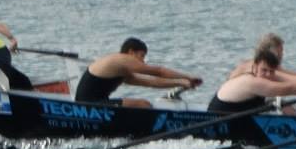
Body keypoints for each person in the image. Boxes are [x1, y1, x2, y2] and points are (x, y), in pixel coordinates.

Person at [209, 42, 296, 115]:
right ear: (255, 66)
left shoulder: (264, 70)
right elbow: (288, 88)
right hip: (220, 118)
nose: (268, 75)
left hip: (239, 114)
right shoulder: (250, 80)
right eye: (264, 71)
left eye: (271, 71)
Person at [73, 38, 202, 108]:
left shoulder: (120, 70)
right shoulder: (123, 59)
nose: (143, 61)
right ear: (131, 52)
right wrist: (188, 77)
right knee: (143, 105)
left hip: (90, 104)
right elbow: (159, 72)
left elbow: (152, 83)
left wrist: (180, 83)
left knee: (143, 104)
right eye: (141, 56)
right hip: (88, 106)